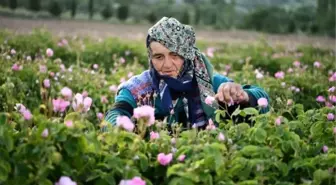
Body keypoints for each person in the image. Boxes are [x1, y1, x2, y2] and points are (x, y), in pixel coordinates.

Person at [104, 17, 270, 130]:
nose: (167, 65)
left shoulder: (208, 82)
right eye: (159, 57)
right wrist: (119, 128)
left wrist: (244, 96)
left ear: (187, 55)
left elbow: (262, 99)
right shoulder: (139, 88)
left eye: (175, 55)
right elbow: (115, 113)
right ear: (150, 58)